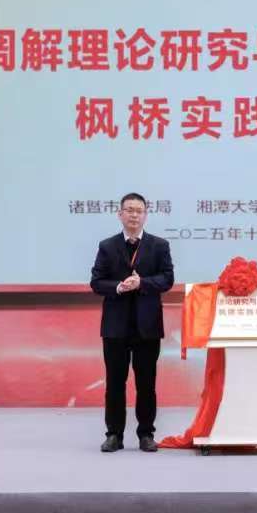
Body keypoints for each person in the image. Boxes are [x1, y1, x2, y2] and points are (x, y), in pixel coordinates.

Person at [90, 193, 174, 452]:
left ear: (145, 214)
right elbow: (96, 282)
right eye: (129, 210)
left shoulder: (159, 245)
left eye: (139, 211)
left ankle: (146, 434)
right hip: (115, 326)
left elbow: (167, 279)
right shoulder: (107, 246)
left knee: (146, 383)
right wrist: (117, 287)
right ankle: (114, 435)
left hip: (147, 327)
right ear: (120, 214)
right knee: (115, 383)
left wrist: (142, 283)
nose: (134, 215)